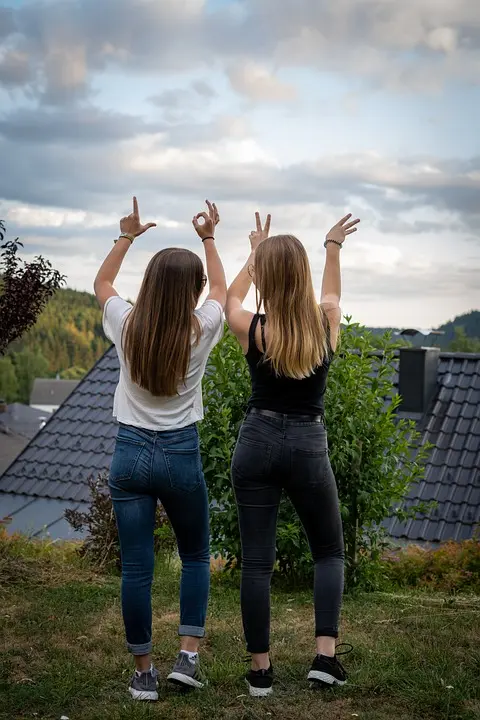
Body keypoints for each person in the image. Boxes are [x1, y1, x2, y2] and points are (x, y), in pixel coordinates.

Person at [94, 197, 226, 701]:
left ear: (148, 285)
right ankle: (187, 659)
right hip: (180, 454)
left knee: (136, 568)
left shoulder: (127, 325)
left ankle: (143, 673)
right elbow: (220, 288)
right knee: (195, 555)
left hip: (129, 454)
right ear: (191, 292)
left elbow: (102, 284)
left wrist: (125, 236)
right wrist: (209, 237)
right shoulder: (202, 328)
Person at [225, 211, 359, 697]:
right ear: (299, 274)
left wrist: (254, 253)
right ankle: (325, 659)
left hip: (256, 441)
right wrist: (332, 246)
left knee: (257, 563)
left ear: (268, 275)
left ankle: (260, 672)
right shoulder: (324, 325)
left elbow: (228, 299)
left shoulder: (252, 327)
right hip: (307, 443)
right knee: (328, 552)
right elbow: (332, 296)